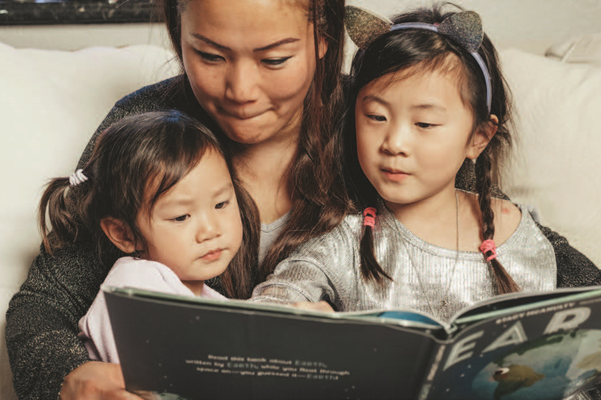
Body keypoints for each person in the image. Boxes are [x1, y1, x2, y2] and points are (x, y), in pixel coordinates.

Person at [5, 0, 349, 398]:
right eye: (209, 55)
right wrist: (69, 379)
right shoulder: (147, 130)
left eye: (274, 59)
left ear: (323, 37)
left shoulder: (382, 120)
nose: (241, 91)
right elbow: (43, 307)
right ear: (177, 31)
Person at [252, 5, 601, 322]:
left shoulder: (526, 236)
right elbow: (270, 305)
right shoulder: (340, 244)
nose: (394, 143)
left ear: (478, 137)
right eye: (375, 116)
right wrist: (299, 318)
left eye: (424, 124)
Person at [38, 111, 252, 364]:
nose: (211, 230)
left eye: (221, 204)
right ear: (124, 234)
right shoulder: (132, 288)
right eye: (181, 217)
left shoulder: (209, 299)